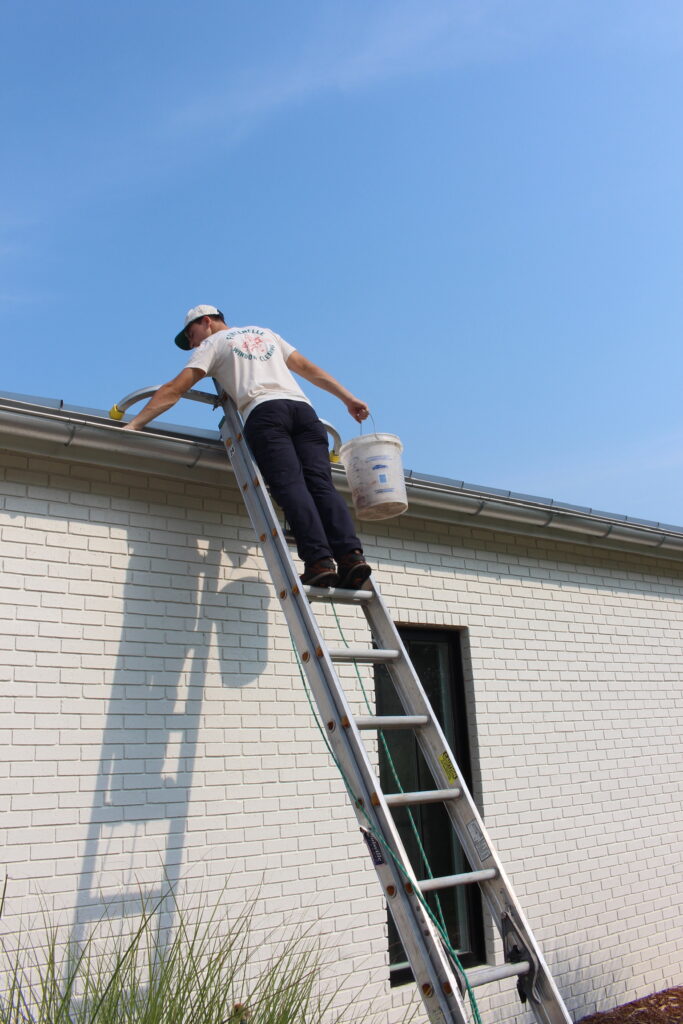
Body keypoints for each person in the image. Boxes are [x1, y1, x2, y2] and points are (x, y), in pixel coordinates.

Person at [123, 305, 372, 590]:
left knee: (291, 486)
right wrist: (348, 399)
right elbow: (307, 368)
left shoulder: (213, 343)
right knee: (322, 486)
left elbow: (174, 389)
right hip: (305, 413)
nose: (193, 343)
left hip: (265, 413)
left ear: (206, 322)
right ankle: (351, 557)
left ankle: (319, 561)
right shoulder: (266, 333)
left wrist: (135, 424)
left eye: (192, 335)